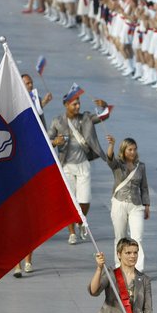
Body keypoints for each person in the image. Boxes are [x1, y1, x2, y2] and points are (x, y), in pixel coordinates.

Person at [47, 88, 109, 244]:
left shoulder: (86, 118)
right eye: (74, 104)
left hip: (83, 165)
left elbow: (104, 116)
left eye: (78, 103)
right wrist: (55, 142)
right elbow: (46, 140)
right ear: (66, 105)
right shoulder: (57, 121)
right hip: (66, 165)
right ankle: (72, 232)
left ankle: (81, 222)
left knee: (85, 200)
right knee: (71, 200)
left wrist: (105, 105)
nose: (77, 107)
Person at [105, 135, 150, 272]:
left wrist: (147, 205)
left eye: (134, 149)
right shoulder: (118, 164)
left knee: (137, 237)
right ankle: (120, 267)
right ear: (124, 150)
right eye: (130, 149)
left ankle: (138, 269)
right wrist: (111, 145)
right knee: (120, 237)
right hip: (119, 203)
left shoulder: (140, 166)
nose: (133, 152)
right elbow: (110, 159)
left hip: (136, 205)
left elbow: (144, 187)